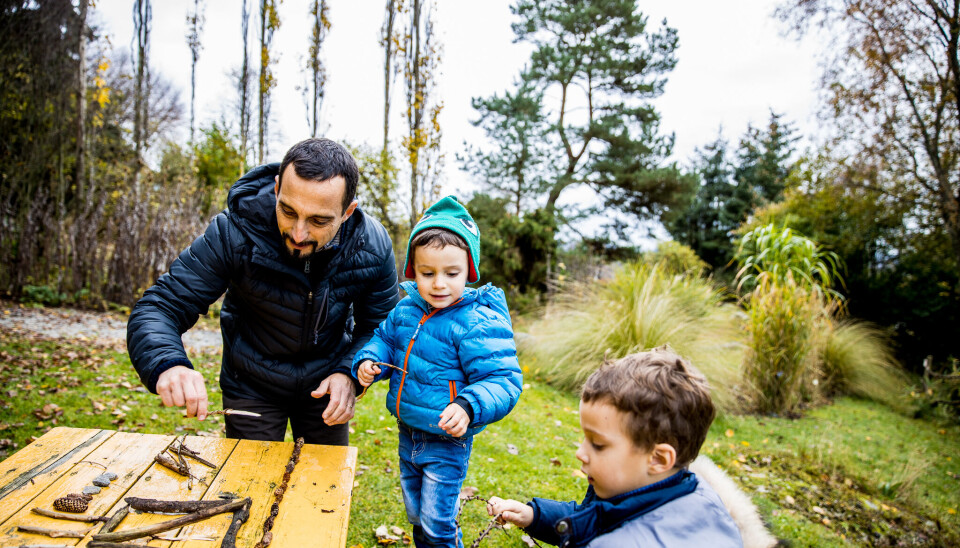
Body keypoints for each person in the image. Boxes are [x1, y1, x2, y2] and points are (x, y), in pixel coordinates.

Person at [127, 138, 400, 446]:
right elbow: (161, 305)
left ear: (348, 212)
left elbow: (381, 329)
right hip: (250, 383)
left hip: (326, 385)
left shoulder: (372, 247)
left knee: (320, 488)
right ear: (276, 189)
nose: (298, 233)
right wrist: (168, 362)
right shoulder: (233, 232)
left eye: (318, 221)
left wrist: (348, 374)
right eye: (287, 210)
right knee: (249, 488)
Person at [353, 196, 523, 548]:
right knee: (416, 512)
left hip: (448, 439)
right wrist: (369, 360)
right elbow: (384, 339)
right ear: (413, 270)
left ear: (469, 271)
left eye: (451, 273)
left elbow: (503, 380)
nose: (439, 284)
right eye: (428, 273)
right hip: (409, 430)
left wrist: (467, 405)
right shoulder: (406, 309)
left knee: (437, 520)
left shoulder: (477, 321)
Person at [486, 348, 743, 548]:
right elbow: (595, 520)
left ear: (658, 458)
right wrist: (534, 516)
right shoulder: (685, 494)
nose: (580, 453)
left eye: (598, 444)